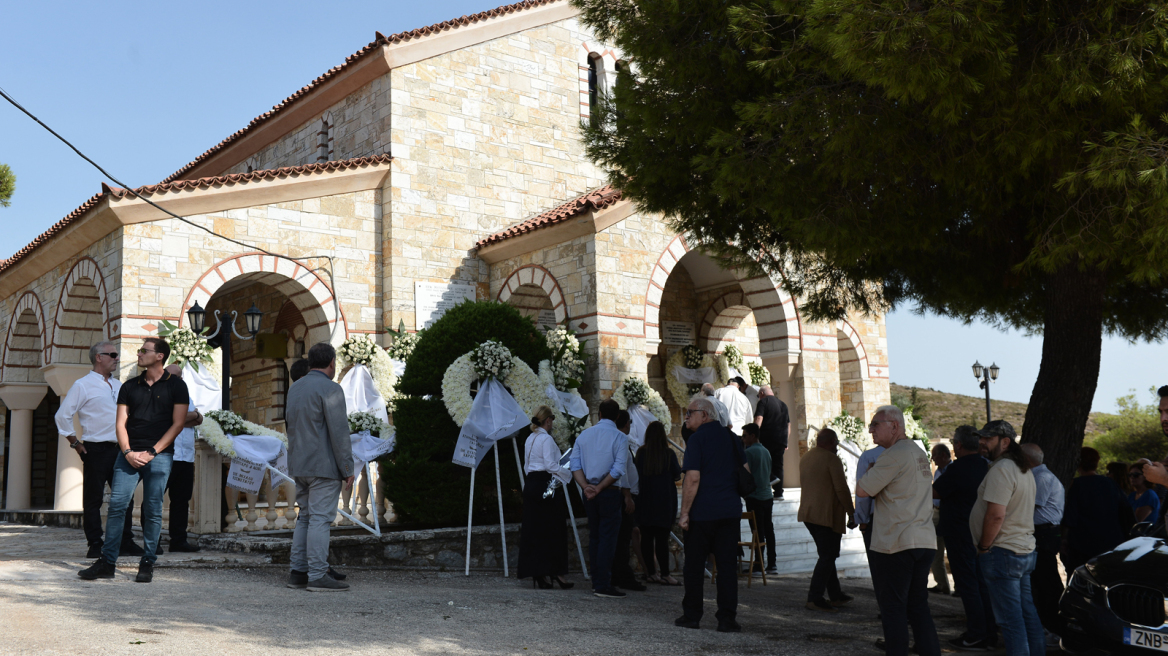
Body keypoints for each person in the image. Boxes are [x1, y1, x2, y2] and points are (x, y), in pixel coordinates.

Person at [79, 337, 190, 583]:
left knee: (152, 510)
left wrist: (152, 452)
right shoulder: (129, 386)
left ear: (159, 356)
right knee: (118, 505)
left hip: (159, 456)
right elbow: (120, 423)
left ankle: (147, 562)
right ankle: (107, 562)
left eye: (144, 351)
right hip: (127, 456)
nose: (138, 354)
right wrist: (128, 452)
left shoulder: (177, 386)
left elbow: (178, 423)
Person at [856, 405, 941, 656]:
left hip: (897, 542)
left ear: (894, 426)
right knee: (917, 607)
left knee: (893, 607)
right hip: (922, 539)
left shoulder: (892, 455)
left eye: (875, 424)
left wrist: (871, 472)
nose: (871, 429)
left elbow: (863, 489)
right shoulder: (917, 451)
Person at [55, 341, 142, 559]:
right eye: (112, 354)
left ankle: (125, 541)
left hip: (122, 449)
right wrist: (75, 443)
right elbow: (62, 415)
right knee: (93, 498)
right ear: (98, 357)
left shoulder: (120, 385)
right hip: (96, 449)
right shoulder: (82, 385)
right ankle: (95, 542)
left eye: (117, 354)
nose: (117, 358)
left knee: (125, 498)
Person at [969, 420, 1044, 656]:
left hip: (1003, 552)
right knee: (1026, 614)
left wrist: (984, 547)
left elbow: (995, 516)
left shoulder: (1003, 469)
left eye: (987, 438)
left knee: (1011, 621)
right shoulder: (1021, 468)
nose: (981, 442)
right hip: (1020, 551)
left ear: (1005, 442)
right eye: (980, 437)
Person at [284, 342, 354, 592]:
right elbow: (339, 432)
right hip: (322, 465)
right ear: (332, 362)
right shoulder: (331, 388)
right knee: (320, 521)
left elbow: (289, 424)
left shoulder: (295, 388)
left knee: (305, 518)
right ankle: (317, 574)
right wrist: (348, 467)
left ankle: (298, 572)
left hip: (299, 463)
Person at [676, 397, 746, 633]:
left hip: (702, 513)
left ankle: (692, 615)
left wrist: (684, 512)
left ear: (704, 415)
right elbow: (745, 471)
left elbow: (692, 478)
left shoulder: (697, 439)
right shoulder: (733, 438)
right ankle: (727, 618)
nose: (686, 416)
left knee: (694, 566)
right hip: (729, 510)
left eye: (690, 412)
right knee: (726, 567)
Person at [934, 426, 996, 650]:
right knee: (981, 584)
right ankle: (988, 631)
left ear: (958, 445)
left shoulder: (958, 467)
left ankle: (977, 633)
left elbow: (936, 491)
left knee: (968, 584)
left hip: (960, 532)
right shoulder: (985, 465)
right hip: (980, 532)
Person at [570, 398, 628, 598]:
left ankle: (597, 581)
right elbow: (618, 469)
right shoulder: (620, 438)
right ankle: (603, 584)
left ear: (599, 414)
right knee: (607, 538)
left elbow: (574, 465)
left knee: (595, 536)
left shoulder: (584, 436)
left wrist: (586, 486)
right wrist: (600, 487)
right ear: (618, 416)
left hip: (589, 492)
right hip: (609, 491)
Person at [798, 427, 855, 612]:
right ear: (831, 442)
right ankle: (814, 597)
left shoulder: (806, 457)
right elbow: (841, 489)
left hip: (809, 514)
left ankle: (835, 595)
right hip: (825, 515)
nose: (837, 447)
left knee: (827, 555)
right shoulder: (832, 459)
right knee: (828, 556)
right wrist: (852, 512)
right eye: (836, 443)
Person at [517, 405, 573, 589]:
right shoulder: (546, 439)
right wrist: (566, 473)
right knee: (553, 530)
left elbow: (526, 466)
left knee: (534, 531)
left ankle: (539, 574)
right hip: (544, 485)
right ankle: (556, 572)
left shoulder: (529, 439)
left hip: (531, 484)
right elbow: (550, 465)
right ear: (548, 421)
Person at [1062, 446, 1135, 573]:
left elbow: (1070, 516)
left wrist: (1063, 539)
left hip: (1082, 545)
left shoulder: (1076, 485)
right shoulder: (1111, 484)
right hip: (1111, 544)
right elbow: (1126, 512)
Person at [1022, 442, 1064, 641]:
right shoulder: (1039, 476)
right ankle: (1048, 626)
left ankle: (1052, 628)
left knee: (1046, 582)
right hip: (1042, 533)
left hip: (1044, 534)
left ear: (1026, 460)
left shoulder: (1042, 478)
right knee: (1041, 581)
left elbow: (1028, 506)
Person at [163, 364, 204, 553]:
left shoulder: (186, 396)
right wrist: (189, 416)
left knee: (181, 500)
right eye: (172, 376)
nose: (176, 380)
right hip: (166, 454)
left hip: (186, 457)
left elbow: (198, 419)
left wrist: (191, 415)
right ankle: (152, 541)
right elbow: (169, 418)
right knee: (155, 499)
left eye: (179, 377)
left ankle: (178, 541)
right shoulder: (161, 393)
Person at [636, 420, 681, 585]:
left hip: (645, 500)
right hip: (664, 501)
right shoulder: (668, 454)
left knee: (646, 538)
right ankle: (665, 573)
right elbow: (677, 475)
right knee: (662, 539)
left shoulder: (641, 453)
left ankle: (651, 573)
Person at [612, 410, 648, 592]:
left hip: (624, 493)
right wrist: (627, 496)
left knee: (623, 537)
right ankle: (623, 576)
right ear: (626, 424)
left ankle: (618, 575)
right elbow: (622, 471)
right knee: (623, 537)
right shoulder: (620, 439)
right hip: (624, 495)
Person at [742, 423, 776, 575]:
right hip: (767, 495)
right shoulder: (766, 451)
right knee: (768, 529)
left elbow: (744, 474)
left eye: (744, 436)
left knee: (757, 530)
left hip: (755, 496)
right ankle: (772, 563)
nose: (743, 439)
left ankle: (758, 563)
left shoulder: (749, 453)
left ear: (752, 436)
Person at [753, 385, 791, 496]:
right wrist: (786, 440)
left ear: (761, 393)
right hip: (781, 440)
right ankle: (779, 492)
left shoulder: (763, 402)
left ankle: (769, 482)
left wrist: (754, 434)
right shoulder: (783, 404)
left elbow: (759, 418)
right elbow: (788, 424)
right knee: (778, 465)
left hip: (767, 438)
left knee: (764, 462)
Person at [928, 443, 951, 594]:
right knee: (935, 551)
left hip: (948, 513)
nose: (932, 459)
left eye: (935, 455)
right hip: (935, 512)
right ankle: (942, 584)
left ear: (943, 455)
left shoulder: (952, 470)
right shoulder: (937, 471)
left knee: (952, 551)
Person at [855, 442, 886, 552]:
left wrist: (863, 520)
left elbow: (863, 494)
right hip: (905, 515)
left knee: (877, 563)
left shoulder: (868, 456)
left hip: (877, 517)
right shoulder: (909, 453)